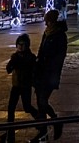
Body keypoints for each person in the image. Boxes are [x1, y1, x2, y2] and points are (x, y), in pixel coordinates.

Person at [31, 10, 68, 142]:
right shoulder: (47, 33)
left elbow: (59, 57)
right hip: (41, 72)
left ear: (53, 21)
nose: (46, 23)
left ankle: (54, 121)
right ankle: (43, 132)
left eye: (48, 21)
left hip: (50, 74)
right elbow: (41, 51)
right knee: (40, 102)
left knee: (42, 100)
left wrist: (49, 67)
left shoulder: (60, 35)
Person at [1, 34, 39, 142]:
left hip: (25, 86)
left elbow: (34, 70)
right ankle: (10, 131)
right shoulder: (15, 57)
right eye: (19, 44)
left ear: (27, 45)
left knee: (27, 107)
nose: (21, 47)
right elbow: (8, 69)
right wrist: (12, 63)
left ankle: (40, 121)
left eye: (23, 44)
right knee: (11, 108)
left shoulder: (31, 57)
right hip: (16, 85)